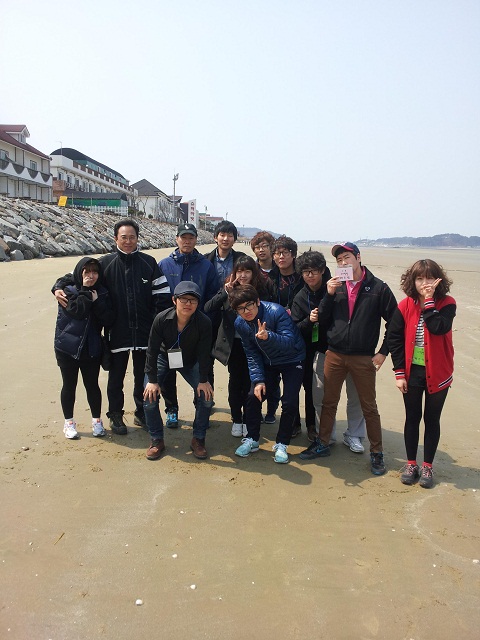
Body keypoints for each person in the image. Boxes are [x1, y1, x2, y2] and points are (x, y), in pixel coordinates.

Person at [53, 220, 171, 435]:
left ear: (138, 238)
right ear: (115, 238)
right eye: (124, 237)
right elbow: (76, 274)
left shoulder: (149, 263)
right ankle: (115, 415)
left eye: (132, 237)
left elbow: (162, 297)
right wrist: (57, 286)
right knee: (115, 378)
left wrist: (156, 326)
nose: (128, 241)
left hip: (145, 333)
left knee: (142, 377)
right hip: (116, 332)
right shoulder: (104, 264)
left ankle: (141, 412)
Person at [299, 242, 397, 476]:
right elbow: (322, 319)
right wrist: (329, 295)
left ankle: (376, 453)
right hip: (334, 353)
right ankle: (323, 443)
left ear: (358, 258)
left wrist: (383, 351)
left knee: (368, 406)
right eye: (339, 260)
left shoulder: (378, 288)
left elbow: (395, 322)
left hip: (363, 357)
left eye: (347, 258)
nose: (343, 263)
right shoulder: (336, 286)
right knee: (329, 402)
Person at [388, 259, 455, 488]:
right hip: (412, 372)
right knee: (412, 417)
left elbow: (439, 327)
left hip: (439, 371)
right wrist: (399, 373)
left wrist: (428, 301)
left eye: (429, 278)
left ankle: (427, 466)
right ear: (412, 280)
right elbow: (394, 338)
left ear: (438, 280)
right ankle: (411, 464)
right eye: (419, 278)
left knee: (432, 419)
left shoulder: (447, 303)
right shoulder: (405, 305)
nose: (424, 283)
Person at [291, 250, 367, 447]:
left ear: (323, 270)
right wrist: (309, 320)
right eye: (306, 272)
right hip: (313, 350)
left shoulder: (338, 287)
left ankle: (353, 435)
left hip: (344, 348)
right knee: (315, 391)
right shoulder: (301, 296)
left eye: (314, 271)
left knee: (353, 395)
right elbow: (296, 327)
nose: (310, 275)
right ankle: (318, 430)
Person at [229, 285, 306, 464]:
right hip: (268, 361)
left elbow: (289, 342)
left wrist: (268, 337)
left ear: (257, 301)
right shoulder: (240, 323)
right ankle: (252, 439)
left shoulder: (276, 312)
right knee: (253, 396)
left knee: (289, 402)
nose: (246, 311)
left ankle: (282, 444)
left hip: (293, 359)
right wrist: (258, 380)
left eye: (249, 305)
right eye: (240, 308)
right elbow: (251, 352)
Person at [204, 256, 275, 437]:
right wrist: (225, 293)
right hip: (234, 344)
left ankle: (250, 417)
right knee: (236, 382)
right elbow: (208, 307)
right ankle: (237, 418)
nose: (243, 275)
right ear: (234, 273)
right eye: (239, 271)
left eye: (247, 271)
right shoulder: (229, 289)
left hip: (256, 343)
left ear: (254, 272)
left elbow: (270, 312)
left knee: (253, 382)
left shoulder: (261, 290)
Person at [143, 282, 214, 461]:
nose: (188, 303)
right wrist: (152, 380)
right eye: (184, 299)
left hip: (191, 360)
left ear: (198, 303)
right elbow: (151, 350)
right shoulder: (161, 319)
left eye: (193, 300)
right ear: (174, 300)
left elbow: (205, 354)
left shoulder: (204, 322)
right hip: (163, 357)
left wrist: (203, 380)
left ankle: (198, 439)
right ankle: (156, 439)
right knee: (149, 396)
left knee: (206, 397)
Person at [159, 223, 219, 428]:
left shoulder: (205, 266)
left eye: (191, 238)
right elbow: (157, 297)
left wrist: (204, 321)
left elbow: (212, 296)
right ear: (176, 239)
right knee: (168, 373)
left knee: (202, 368)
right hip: (169, 330)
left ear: (196, 240)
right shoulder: (164, 265)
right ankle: (171, 410)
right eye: (183, 237)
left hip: (196, 330)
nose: (187, 241)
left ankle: (201, 410)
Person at [54, 257, 115, 439]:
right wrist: (86, 291)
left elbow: (109, 319)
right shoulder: (67, 290)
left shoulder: (102, 292)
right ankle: (69, 423)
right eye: (86, 272)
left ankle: (97, 421)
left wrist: (97, 302)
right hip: (67, 347)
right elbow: (77, 311)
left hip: (91, 347)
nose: (91, 275)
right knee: (69, 385)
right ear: (79, 273)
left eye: (94, 272)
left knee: (92, 385)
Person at [269, 235, 304, 434]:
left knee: (296, 385)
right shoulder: (270, 277)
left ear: (293, 254)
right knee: (274, 381)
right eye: (277, 253)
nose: (281, 256)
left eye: (285, 252)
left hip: (300, 333)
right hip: (275, 335)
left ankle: (298, 423)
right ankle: (278, 416)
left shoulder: (302, 276)